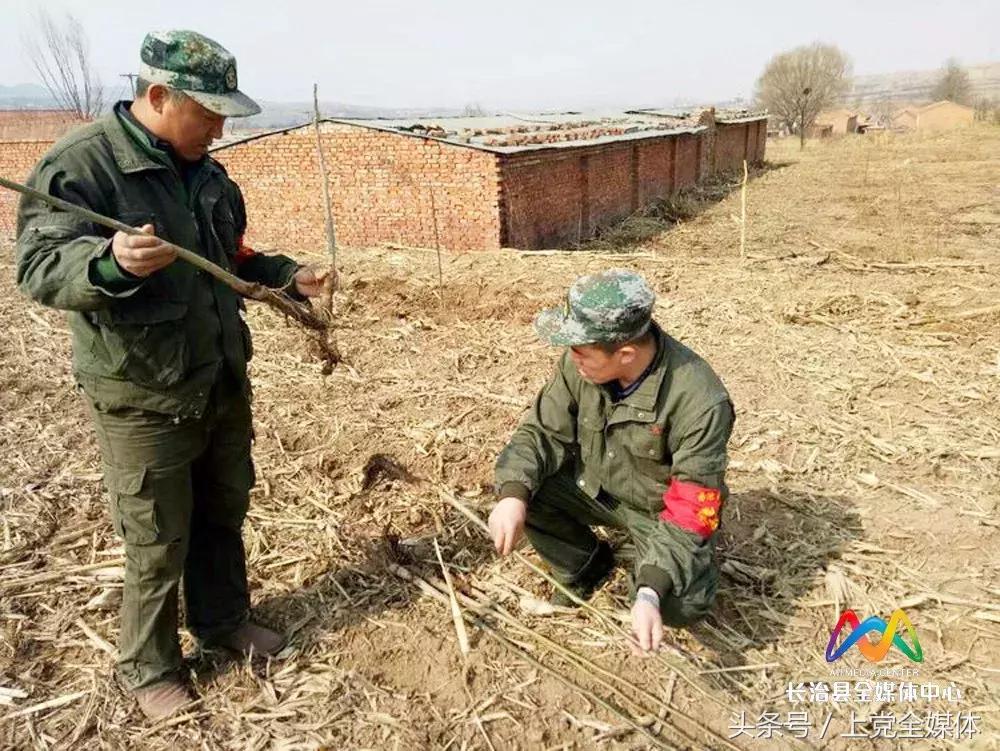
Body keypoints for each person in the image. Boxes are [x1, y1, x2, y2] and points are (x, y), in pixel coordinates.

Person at [15, 30, 326, 720]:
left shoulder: (209, 175)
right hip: (143, 390)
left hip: (218, 375)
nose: (219, 128)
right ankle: (150, 665)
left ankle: (222, 622)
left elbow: (232, 255)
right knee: (157, 533)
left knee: (223, 508)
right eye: (209, 112)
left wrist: (286, 275)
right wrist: (109, 265)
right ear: (159, 96)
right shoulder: (81, 167)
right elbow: (38, 268)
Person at [489, 270, 734, 655]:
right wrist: (512, 495)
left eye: (581, 350)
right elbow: (540, 431)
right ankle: (585, 567)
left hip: (658, 513)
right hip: (594, 487)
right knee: (527, 487)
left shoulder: (700, 402)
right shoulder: (582, 363)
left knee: (680, 603)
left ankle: (652, 575)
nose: (572, 358)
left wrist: (651, 592)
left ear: (625, 354)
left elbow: (692, 509)